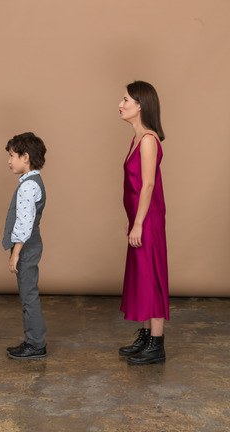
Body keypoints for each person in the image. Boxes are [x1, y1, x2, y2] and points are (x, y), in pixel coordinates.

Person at [118, 81, 169, 365]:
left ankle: (157, 344)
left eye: (126, 99)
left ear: (140, 105)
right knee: (142, 277)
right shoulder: (137, 139)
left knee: (152, 277)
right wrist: (132, 220)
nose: (121, 104)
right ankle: (148, 336)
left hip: (148, 220)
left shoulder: (148, 140)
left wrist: (139, 223)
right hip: (139, 218)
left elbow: (147, 185)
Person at [2, 132, 47, 359]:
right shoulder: (31, 182)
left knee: (29, 295)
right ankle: (31, 340)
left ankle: (36, 344)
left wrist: (15, 254)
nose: (9, 161)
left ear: (25, 157)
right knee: (27, 294)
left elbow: (24, 223)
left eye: (12, 156)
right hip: (30, 244)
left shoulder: (29, 186)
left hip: (26, 247)